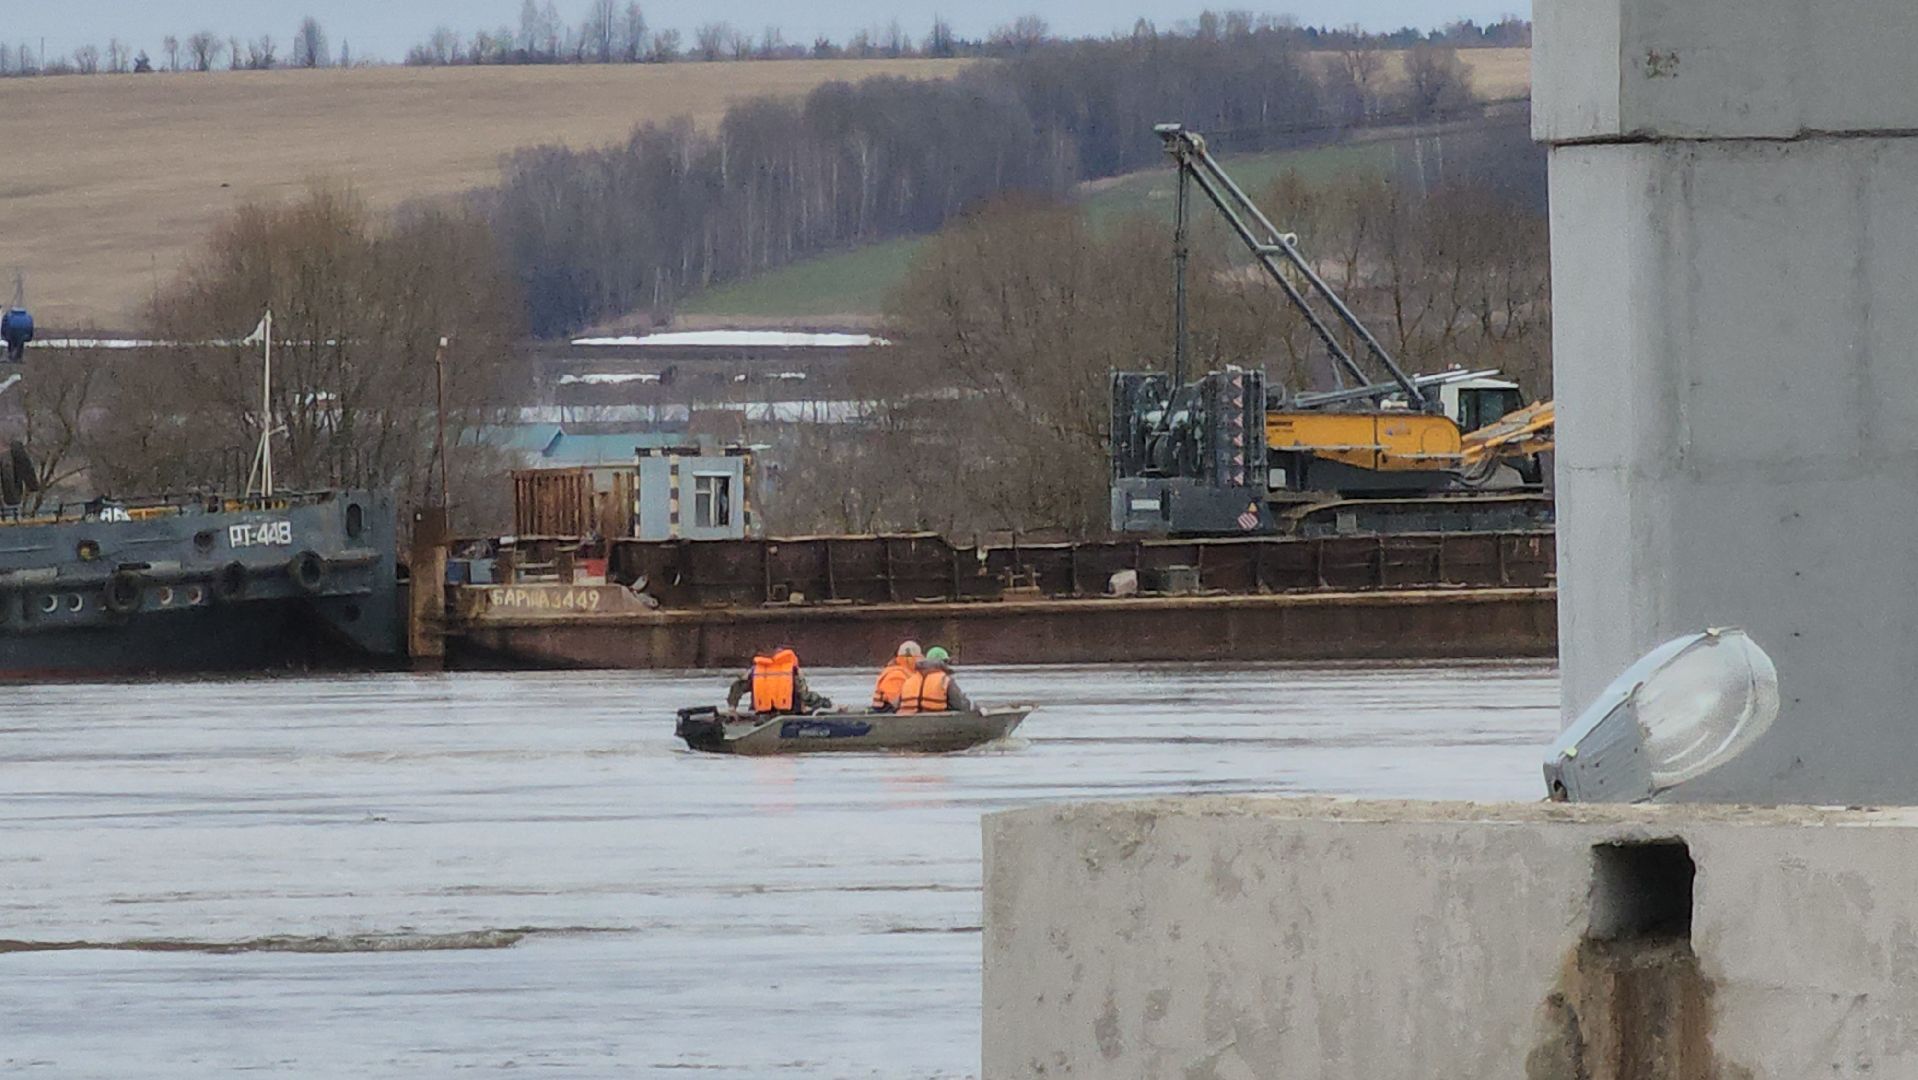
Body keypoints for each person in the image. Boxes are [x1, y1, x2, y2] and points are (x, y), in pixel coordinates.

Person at [727, 646, 830, 715]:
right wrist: (825, 704)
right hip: (788, 716)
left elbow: (738, 686)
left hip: (760, 715)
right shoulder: (793, 671)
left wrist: (732, 708)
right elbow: (805, 696)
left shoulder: (757, 671)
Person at [897, 645, 973, 715]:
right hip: (937, 724)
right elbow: (960, 705)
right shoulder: (944, 680)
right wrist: (974, 707)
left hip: (908, 724)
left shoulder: (909, 680)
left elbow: (897, 705)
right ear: (944, 662)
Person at [870, 640, 923, 712]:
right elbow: (895, 702)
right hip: (886, 713)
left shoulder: (908, 672)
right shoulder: (896, 674)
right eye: (919, 658)